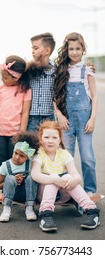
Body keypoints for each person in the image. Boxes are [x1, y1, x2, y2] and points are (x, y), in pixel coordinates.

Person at [31, 121, 100, 232]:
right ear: (40, 139)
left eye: (54, 137)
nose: (50, 141)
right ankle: (46, 215)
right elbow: (35, 175)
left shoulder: (64, 154)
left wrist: (74, 180)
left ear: (59, 140)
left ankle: (92, 211)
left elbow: (76, 175)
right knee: (53, 178)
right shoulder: (39, 154)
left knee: (68, 177)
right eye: (46, 137)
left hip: (64, 194)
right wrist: (53, 179)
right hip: (44, 195)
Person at [53, 32, 98, 198]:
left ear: (83, 49)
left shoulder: (88, 69)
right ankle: (66, 191)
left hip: (85, 119)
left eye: (77, 48)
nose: (74, 52)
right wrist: (59, 115)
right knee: (66, 156)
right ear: (66, 50)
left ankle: (90, 189)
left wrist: (92, 118)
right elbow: (55, 96)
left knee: (87, 156)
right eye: (71, 48)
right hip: (66, 120)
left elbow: (95, 96)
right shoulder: (61, 70)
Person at [0, 55, 31, 203]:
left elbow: (25, 111)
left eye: (5, 77)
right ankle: (4, 192)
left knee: (15, 162)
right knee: (3, 163)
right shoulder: (0, 89)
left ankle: (17, 192)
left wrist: (22, 131)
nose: (2, 79)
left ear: (16, 77)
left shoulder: (25, 90)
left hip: (15, 133)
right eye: (1, 76)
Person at [0, 131, 39, 222]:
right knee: (9, 177)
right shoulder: (6, 165)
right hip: (12, 195)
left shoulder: (31, 164)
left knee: (32, 177)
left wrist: (24, 180)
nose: (17, 157)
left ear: (27, 157)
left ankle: (29, 208)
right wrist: (13, 180)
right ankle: (6, 209)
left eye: (21, 156)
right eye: (15, 153)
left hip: (27, 194)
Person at [26, 32, 56, 131]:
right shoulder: (28, 69)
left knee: (48, 145)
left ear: (47, 50)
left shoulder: (57, 70)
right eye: (32, 48)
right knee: (31, 146)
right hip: (31, 118)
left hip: (49, 117)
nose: (33, 51)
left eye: (36, 48)